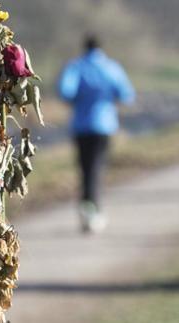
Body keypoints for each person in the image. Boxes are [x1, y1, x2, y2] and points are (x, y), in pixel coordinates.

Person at [57, 35, 135, 233]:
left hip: (81, 126)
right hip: (105, 125)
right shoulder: (111, 67)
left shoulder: (76, 67)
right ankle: (93, 209)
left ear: (84, 48)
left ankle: (88, 208)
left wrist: (81, 98)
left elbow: (65, 91)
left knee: (85, 168)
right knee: (96, 167)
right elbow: (126, 94)